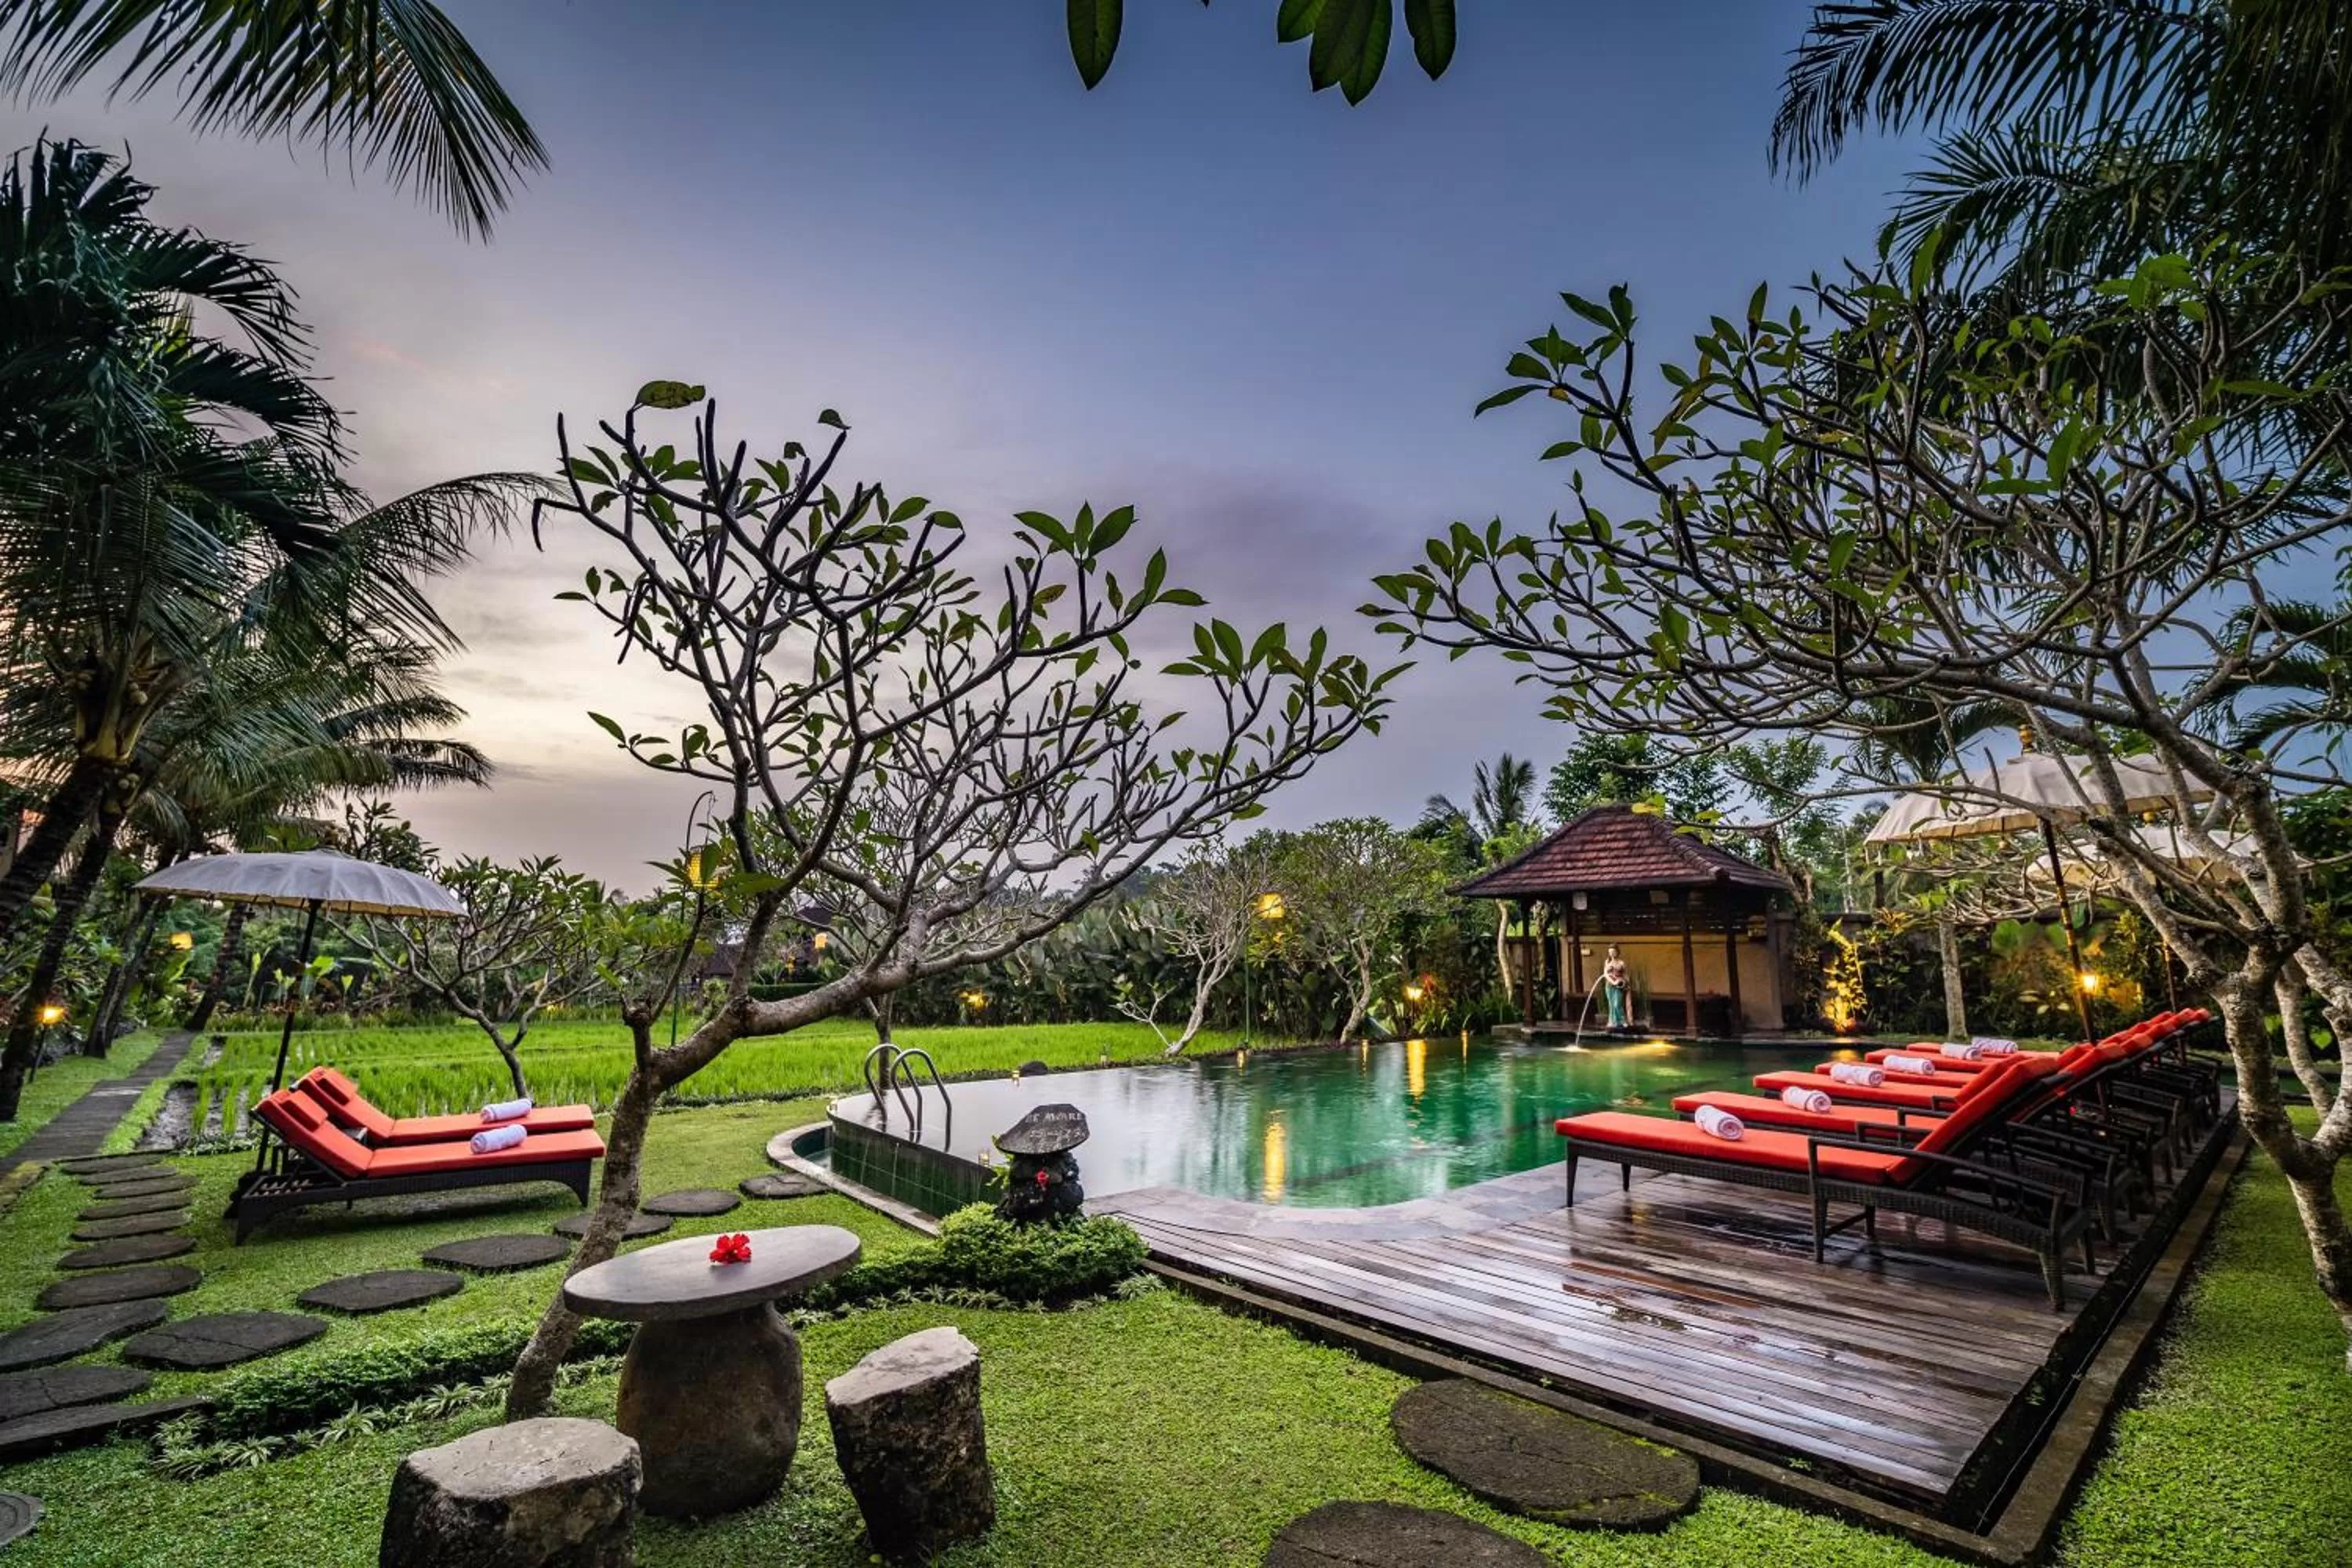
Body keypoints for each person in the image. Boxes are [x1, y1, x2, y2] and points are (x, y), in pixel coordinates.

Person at [1602, 945, 1632, 1030]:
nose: (1612, 953)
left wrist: (1626, 982)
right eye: (1610, 952)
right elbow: (1605, 975)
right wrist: (1613, 982)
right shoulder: (1607, 962)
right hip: (1609, 986)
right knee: (1611, 1004)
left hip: (1619, 986)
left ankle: (1622, 1021)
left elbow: (1625, 974)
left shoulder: (1621, 963)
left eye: (1613, 951)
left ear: (1617, 952)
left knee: (1617, 1004)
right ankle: (1613, 1021)